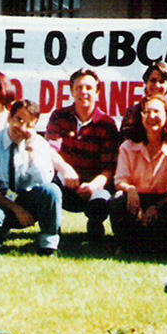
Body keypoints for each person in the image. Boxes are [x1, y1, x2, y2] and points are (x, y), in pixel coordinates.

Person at [0, 100, 65, 256]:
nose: (22, 128)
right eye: (19, 120)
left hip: (28, 200)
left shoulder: (39, 144)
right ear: (10, 118)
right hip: (2, 201)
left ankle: (48, 244)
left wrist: (31, 152)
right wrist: (16, 209)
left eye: (29, 125)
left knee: (53, 191)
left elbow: (45, 179)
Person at [45, 68, 119, 240]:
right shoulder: (59, 116)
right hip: (65, 182)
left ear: (97, 92)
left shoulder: (107, 124)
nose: (83, 92)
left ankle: (95, 222)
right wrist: (65, 169)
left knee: (101, 201)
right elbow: (50, 150)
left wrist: (93, 186)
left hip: (94, 185)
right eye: (78, 88)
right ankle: (51, 230)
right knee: (47, 189)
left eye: (88, 88)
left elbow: (109, 169)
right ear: (71, 90)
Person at [110, 95, 167, 254]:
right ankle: (126, 244)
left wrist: (157, 207)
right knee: (117, 202)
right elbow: (120, 179)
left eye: (156, 112)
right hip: (135, 200)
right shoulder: (128, 146)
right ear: (140, 116)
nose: (151, 117)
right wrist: (130, 189)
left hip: (164, 202)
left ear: (166, 116)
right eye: (146, 112)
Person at [119, 61, 167, 143]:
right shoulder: (132, 113)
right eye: (153, 80)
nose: (157, 85)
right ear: (146, 83)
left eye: (162, 82)